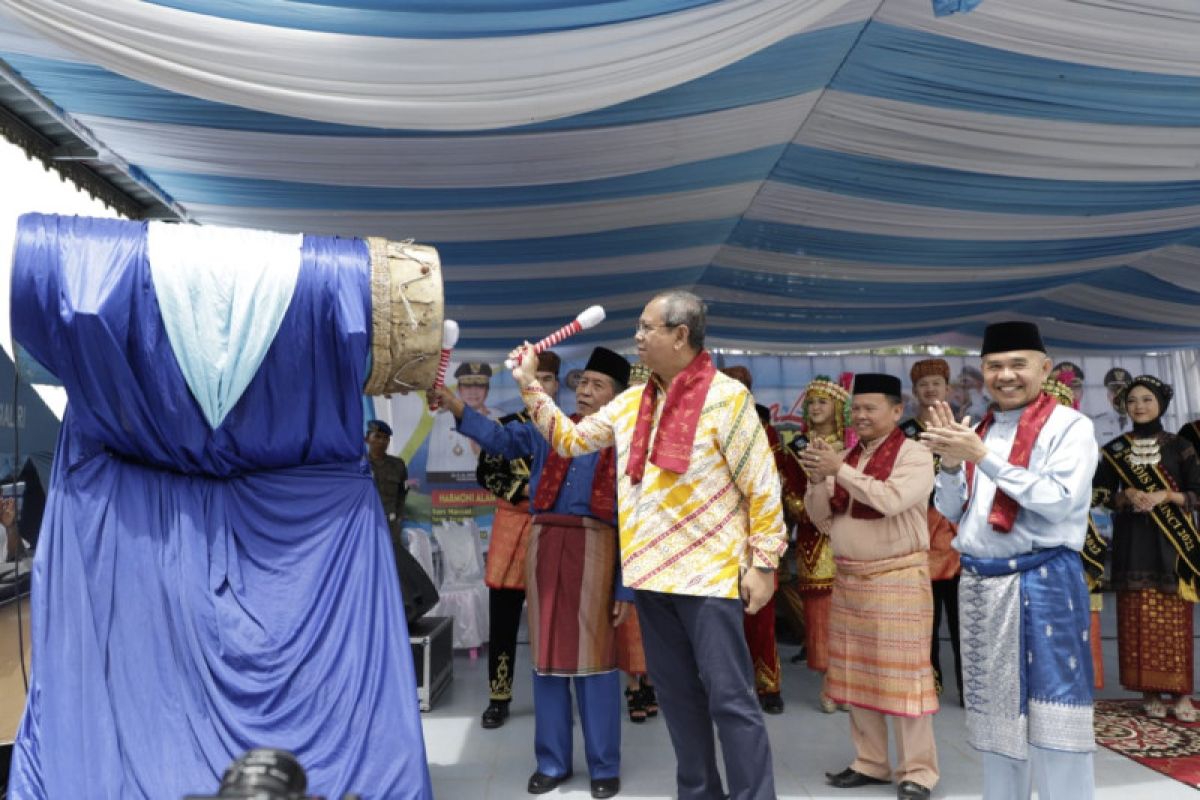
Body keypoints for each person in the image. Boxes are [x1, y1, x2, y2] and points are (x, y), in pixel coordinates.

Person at [510, 290, 787, 800]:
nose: (636, 337)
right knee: (679, 701)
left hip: (711, 577)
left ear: (680, 335)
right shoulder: (634, 401)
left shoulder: (727, 398)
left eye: (646, 328)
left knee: (730, 700)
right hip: (650, 576)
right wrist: (530, 386)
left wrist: (764, 564)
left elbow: (763, 487)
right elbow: (571, 441)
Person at [438, 347, 634, 799]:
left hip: (598, 548)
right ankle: (552, 762)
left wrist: (625, 586)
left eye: (596, 385)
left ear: (618, 397)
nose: (584, 391)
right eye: (582, 382)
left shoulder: (625, 444)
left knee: (598, 662)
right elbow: (502, 440)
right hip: (544, 544)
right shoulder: (547, 428)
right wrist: (455, 406)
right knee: (545, 659)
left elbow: (634, 521)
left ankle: (604, 766)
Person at [922, 321, 1097, 800]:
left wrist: (985, 457)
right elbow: (953, 511)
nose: (1006, 375)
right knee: (998, 722)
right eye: (995, 365)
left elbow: (1058, 500)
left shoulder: (1070, 426)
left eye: (1019, 364)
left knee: (1055, 715)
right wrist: (953, 464)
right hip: (981, 583)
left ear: (1043, 368)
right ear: (982, 372)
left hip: (1044, 580)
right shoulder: (977, 428)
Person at [802, 373, 939, 800]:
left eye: (870, 408)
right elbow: (820, 518)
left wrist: (837, 470)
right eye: (855, 409)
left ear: (897, 412)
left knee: (905, 679)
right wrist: (814, 479)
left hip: (898, 576)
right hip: (851, 577)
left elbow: (890, 500)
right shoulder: (846, 456)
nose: (859, 415)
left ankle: (918, 770)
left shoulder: (915, 454)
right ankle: (871, 762)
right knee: (857, 675)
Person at [1093, 375, 1200, 721]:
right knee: (1138, 618)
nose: (1139, 406)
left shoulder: (1180, 447)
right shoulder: (1115, 449)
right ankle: (1149, 692)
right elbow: (1098, 494)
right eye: (1133, 400)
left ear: (1160, 405)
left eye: (1147, 400)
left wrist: (1165, 495)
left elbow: (1197, 494)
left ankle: (1181, 694)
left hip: (1172, 547)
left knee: (1175, 621)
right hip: (1133, 545)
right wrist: (1125, 496)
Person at [474, 351, 561, 729]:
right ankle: (499, 697)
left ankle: (557, 697)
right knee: (504, 622)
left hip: (555, 531)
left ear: (557, 384)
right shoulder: (506, 425)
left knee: (555, 622)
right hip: (512, 528)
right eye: (535, 375)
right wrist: (523, 488)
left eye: (548, 377)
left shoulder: (571, 429)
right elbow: (487, 474)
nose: (542, 382)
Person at [721, 364, 786, 714]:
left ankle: (768, 685)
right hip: (715, 541)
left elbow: (772, 489)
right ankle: (728, 687)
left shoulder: (766, 433)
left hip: (755, 537)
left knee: (760, 615)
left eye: (741, 386)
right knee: (718, 619)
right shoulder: (708, 427)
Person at [790, 374, 854, 713]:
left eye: (823, 401)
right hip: (814, 539)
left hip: (849, 534)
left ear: (838, 408)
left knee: (850, 611)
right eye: (811, 401)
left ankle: (849, 681)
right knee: (819, 614)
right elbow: (785, 487)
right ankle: (830, 683)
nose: (815, 407)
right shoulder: (796, 445)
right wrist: (807, 508)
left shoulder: (854, 446)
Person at [900, 358, 963, 705]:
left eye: (936, 383)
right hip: (920, 537)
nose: (930, 389)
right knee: (924, 621)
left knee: (963, 623)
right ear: (914, 392)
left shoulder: (962, 431)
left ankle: (970, 690)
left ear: (947, 389)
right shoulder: (905, 433)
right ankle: (930, 687)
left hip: (959, 541)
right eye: (923, 385)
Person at [427, 362, 496, 479]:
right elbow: (434, 468)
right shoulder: (443, 419)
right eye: (467, 386)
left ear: (487, 390)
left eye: (479, 386)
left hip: (494, 490)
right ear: (459, 389)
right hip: (453, 493)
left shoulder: (500, 417)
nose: (473, 391)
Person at [365, 419, 409, 543]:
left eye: (385, 438)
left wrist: (399, 517)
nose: (381, 441)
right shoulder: (359, 465)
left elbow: (403, 492)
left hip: (390, 524)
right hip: (365, 522)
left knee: (392, 557)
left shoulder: (398, 465)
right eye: (377, 436)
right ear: (367, 439)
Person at [1091, 367, 1133, 446]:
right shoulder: (1096, 424)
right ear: (1108, 395)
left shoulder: (1144, 422)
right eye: (1114, 391)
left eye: (1123, 391)